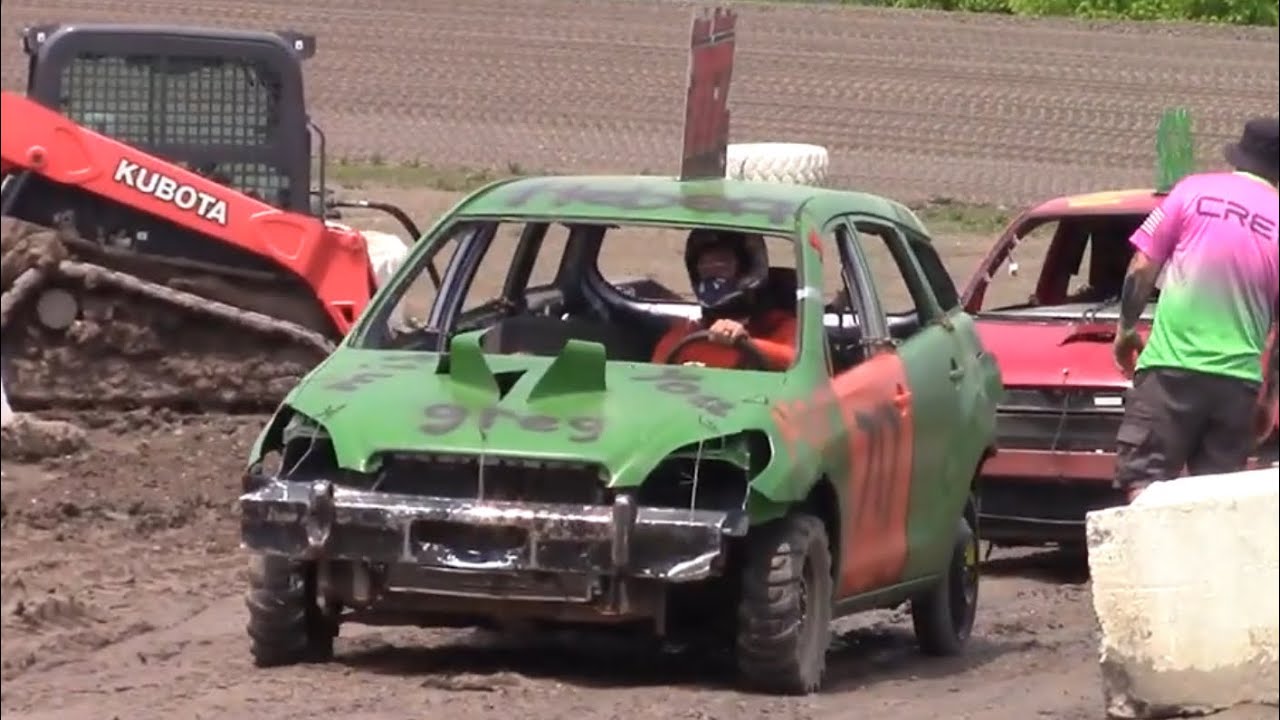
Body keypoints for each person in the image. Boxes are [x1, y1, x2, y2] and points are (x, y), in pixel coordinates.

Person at [1111, 116, 1279, 501]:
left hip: (1171, 370)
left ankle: (1152, 559)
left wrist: (1125, 330)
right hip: (1237, 383)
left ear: (1240, 156)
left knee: (1145, 483)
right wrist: (1269, 397)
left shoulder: (1190, 192)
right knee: (1215, 504)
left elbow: (1141, 267)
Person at [650, 228, 797, 370]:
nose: (712, 271)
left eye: (722, 263)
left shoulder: (781, 326)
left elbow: (799, 363)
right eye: (705, 265)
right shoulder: (683, 336)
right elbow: (651, 379)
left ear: (747, 268)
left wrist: (745, 343)